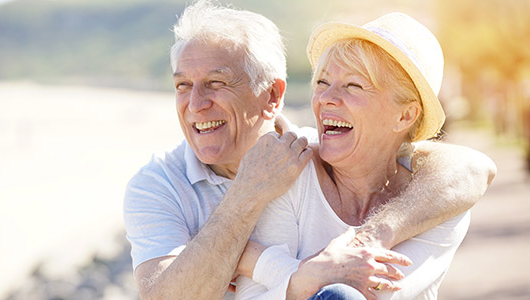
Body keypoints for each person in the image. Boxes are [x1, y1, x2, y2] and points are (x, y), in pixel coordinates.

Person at [123, 2, 497, 300]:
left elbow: (470, 167)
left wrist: (259, 259)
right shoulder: (158, 184)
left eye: (215, 83)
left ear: (273, 96)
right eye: (182, 85)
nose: (195, 103)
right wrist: (247, 198)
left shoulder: (306, 163)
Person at [233, 12, 494, 300]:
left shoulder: (437, 202)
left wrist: (260, 263)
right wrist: (304, 274)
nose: (326, 98)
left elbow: (373, 292)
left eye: (353, 85)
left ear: (405, 115)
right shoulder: (293, 169)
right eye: (322, 82)